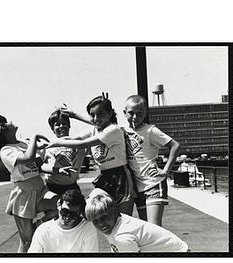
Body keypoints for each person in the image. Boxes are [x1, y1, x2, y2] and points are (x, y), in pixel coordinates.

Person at [0, 114, 70, 253]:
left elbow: (40, 165)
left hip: (41, 189)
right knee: (26, 241)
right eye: (5, 123)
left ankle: (38, 226)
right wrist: (34, 137)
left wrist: (58, 170)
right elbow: (28, 158)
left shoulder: (24, 143)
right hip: (24, 194)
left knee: (61, 207)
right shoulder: (6, 150)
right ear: (3, 131)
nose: (10, 121)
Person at [46, 93, 136, 215]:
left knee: (123, 218)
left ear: (110, 114)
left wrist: (56, 142)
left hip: (120, 176)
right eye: (92, 115)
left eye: (100, 114)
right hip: (105, 176)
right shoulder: (94, 129)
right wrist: (48, 143)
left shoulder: (113, 130)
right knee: (91, 209)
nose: (95, 118)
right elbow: (74, 139)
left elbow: (82, 144)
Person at [123, 95, 181, 226]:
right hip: (138, 187)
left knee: (154, 229)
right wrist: (75, 116)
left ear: (145, 114)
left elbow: (175, 146)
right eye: (131, 113)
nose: (135, 117)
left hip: (153, 184)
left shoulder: (150, 131)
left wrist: (166, 170)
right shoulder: (122, 131)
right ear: (124, 112)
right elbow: (100, 123)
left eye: (139, 114)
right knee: (146, 229)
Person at [85, 188, 189, 252]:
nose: (100, 224)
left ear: (114, 213)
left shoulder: (122, 236)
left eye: (104, 217)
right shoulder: (117, 222)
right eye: (95, 221)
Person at [28, 189, 99, 253]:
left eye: (73, 215)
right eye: (64, 212)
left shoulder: (87, 228)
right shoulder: (43, 230)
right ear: (59, 205)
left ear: (80, 214)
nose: (67, 218)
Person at [41, 109, 86, 195]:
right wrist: (57, 170)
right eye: (57, 125)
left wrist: (75, 115)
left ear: (69, 125)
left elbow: (97, 128)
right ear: (52, 128)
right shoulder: (48, 145)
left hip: (72, 187)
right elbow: (40, 165)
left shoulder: (79, 143)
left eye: (64, 124)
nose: (61, 126)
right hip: (52, 187)